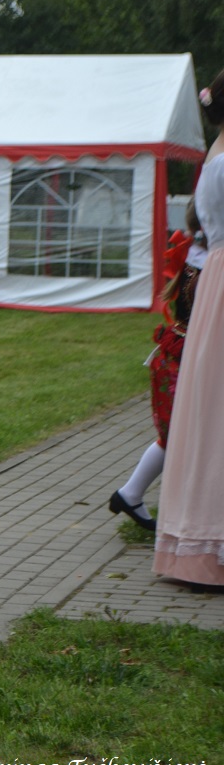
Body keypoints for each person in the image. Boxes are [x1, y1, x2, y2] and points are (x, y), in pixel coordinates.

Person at [154, 121, 224, 587]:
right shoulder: (222, 164)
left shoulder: (213, 160)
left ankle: (200, 536)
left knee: (209, 407)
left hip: (216, 276)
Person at [110, 202, 207, 531]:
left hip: (176, 357)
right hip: (184, 362)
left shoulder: (194, 256)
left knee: (177, 436)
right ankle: (143, 498)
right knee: (183, 436)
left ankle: (130, 494)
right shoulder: (207, 265)